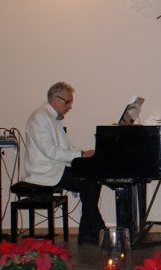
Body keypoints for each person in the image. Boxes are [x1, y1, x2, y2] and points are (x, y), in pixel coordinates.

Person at [22, 81, 105, 245]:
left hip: (55, 167)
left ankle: (89, 233)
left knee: (93, 179)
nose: (70, 106)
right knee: (89, 184)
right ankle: (98, 230)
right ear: (54, 99)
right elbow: (50, 151)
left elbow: (65, 147)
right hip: (44, 171)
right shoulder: (40, 118)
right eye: (67, 102)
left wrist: (83, 154)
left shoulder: (51, 117)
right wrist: (80, 155)